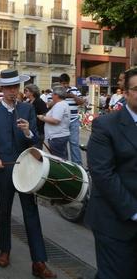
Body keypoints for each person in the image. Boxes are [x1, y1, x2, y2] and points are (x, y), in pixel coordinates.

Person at [0, 69, 56, 278]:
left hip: (26, 170)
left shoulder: (27, 109)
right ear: (2, 89)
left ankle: (38, 261)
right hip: (4, 169)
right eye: (9, 87)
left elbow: (36, 141)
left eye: (16, 87)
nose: (13, 91)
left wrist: (28, 131)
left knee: (31, 213)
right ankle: (4, 249)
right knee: (4, 211)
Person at [86, 67, 137, 279]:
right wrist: (134, 211)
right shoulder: (105, 125)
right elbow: (102, 173)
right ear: (124, 93)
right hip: (115, 222)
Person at [38, 87, 70, 160]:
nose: (51, 96)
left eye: (52, 94)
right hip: (59, 135)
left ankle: (63, 171)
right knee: (63, 158)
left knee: (59, 159)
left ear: (56, 95)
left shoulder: (60, 105)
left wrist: (42, 117)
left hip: (57, 136)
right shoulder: (62, 104)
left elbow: (55, 120)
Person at [59, 73, 84, 165]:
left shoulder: (75, 89)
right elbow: (51, 104)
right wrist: (61, 96)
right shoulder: (57, 91)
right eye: (63, 83)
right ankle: (65, 165)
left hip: (74, 120)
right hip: (61, 122)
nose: (65, 85)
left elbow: (81, 102)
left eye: (66, 83)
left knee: (74, 143)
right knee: (63, 144)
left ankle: (78, 166)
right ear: (60, 83)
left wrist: (73, 96)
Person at [24, 84, 48, 149]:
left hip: (38, 131)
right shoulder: (28, 102)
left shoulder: (39, 101)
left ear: (32, 92)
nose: (25, 92)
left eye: (26, 91)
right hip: (30, 131)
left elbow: (45, 115)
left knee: (36, 153)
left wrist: (36, 116)